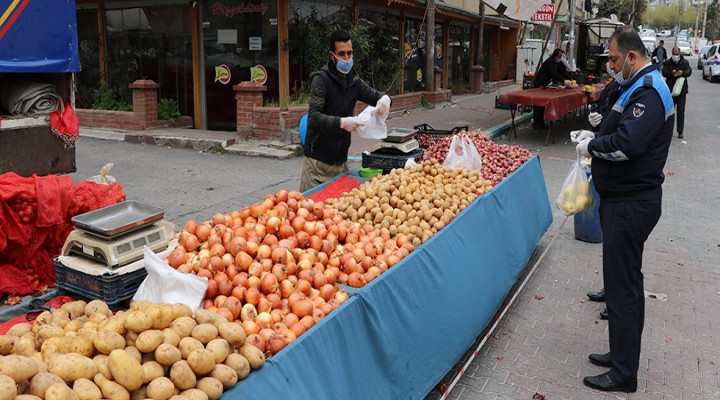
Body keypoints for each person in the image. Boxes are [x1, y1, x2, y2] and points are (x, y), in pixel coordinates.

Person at [573, 26, 674, 393]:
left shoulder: (650, 91)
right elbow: (617, 123)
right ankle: (620, 355)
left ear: (632, 56)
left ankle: (624, 374)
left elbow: (628, 144)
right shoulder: (635, 85)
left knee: (623, 289)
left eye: (615, 60)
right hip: (623, 199)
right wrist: (595, 134)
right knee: (625, 284)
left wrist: (593, 148)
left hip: (632, 202)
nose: (611, 67)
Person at [300, 30, 391, 192]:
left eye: (350, 53)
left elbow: (374, 96)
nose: (347, 59)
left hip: (341, 163)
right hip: (317, 164)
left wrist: (385, 99)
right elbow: (314, 117)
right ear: (332, 55)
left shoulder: (354, 81)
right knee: (312, 210)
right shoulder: (321, 80)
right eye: (342, 54)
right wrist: (341, 122)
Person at [532, 49, 571, 129]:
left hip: (544, 85)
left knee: (542, 106)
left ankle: (540, 123)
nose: (560, 58)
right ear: (555, 56)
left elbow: (560, 71)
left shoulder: (555, 63)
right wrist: (564, 81)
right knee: (538, 106)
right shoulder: (550, 62)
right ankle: (537, 124)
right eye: (559, 56)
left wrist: (570, 77)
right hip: (539, 85)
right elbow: (554, 73)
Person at [662, 46, 692, 139]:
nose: (675, 56)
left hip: (681, 91)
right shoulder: (668, 62)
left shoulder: (684, 62)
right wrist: (672, 72)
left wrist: (682, 73)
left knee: (681, 111)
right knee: (669, 111)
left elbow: (689, 71)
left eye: (677, 54)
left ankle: (680, 131)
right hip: (671, 91)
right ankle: (667, 131)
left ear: (679, 54)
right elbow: (664, 72)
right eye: (674, 54)